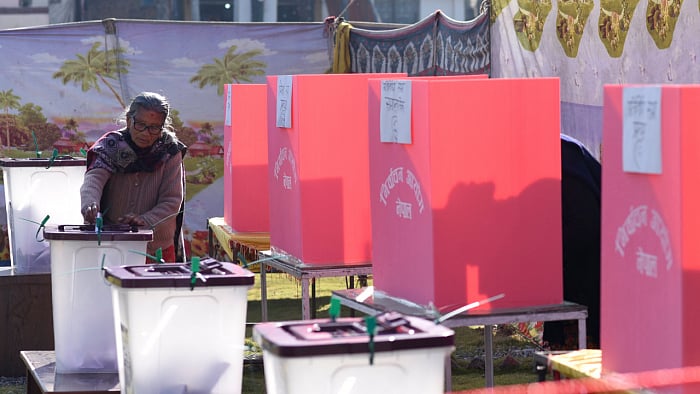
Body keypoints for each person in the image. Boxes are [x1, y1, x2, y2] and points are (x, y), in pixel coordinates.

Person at [80, 92, 187, 263]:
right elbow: (94, 179)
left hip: (156, 247)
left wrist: (145, 220)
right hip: (113, 243)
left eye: (154, 127)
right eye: (140, 125)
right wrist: (90, 203)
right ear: (129, 120)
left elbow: (172, 200)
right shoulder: (111, 146)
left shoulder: (170, 151)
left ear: (162, 127)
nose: (146, 133)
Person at [543, 133, 601, 349]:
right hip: (569, 281)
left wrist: (547, 253)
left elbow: (585, 225)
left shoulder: (562, 155)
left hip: (586, 283)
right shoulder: (558, 150)